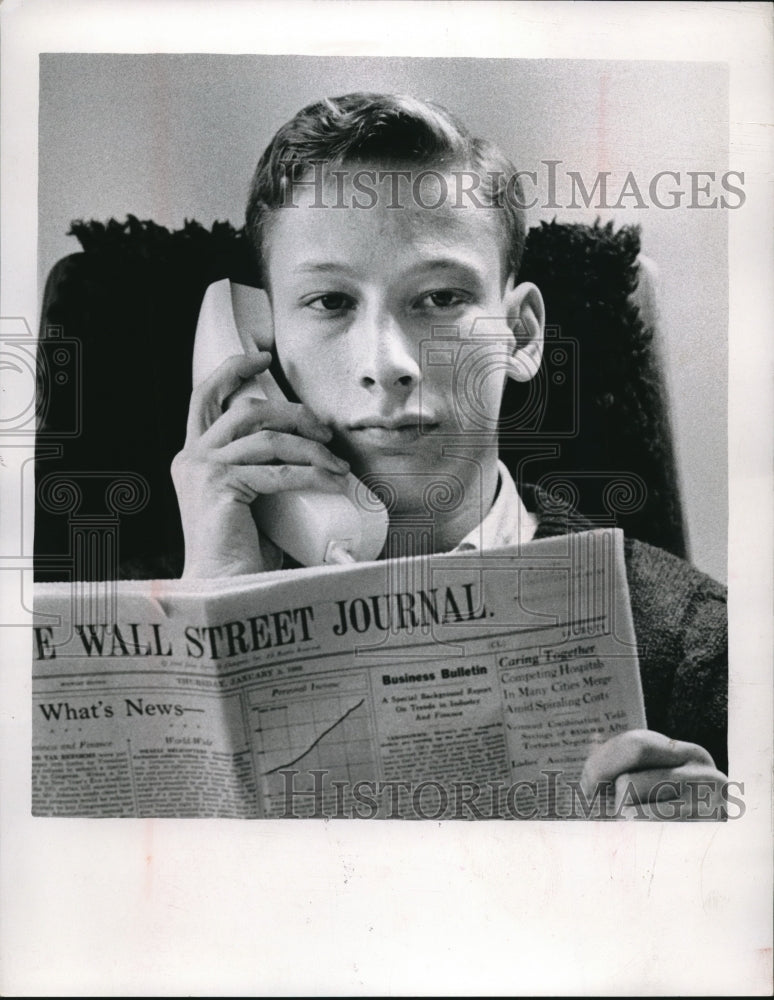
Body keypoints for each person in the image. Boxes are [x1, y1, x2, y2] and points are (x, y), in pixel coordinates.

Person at [171, 92, 728, 816]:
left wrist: (715, 877)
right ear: (260, 342)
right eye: (331, 303)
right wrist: (210, 612)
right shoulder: (157, 612)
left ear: (520, 335)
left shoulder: (698, 647)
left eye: (437, 298)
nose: (388, 363)